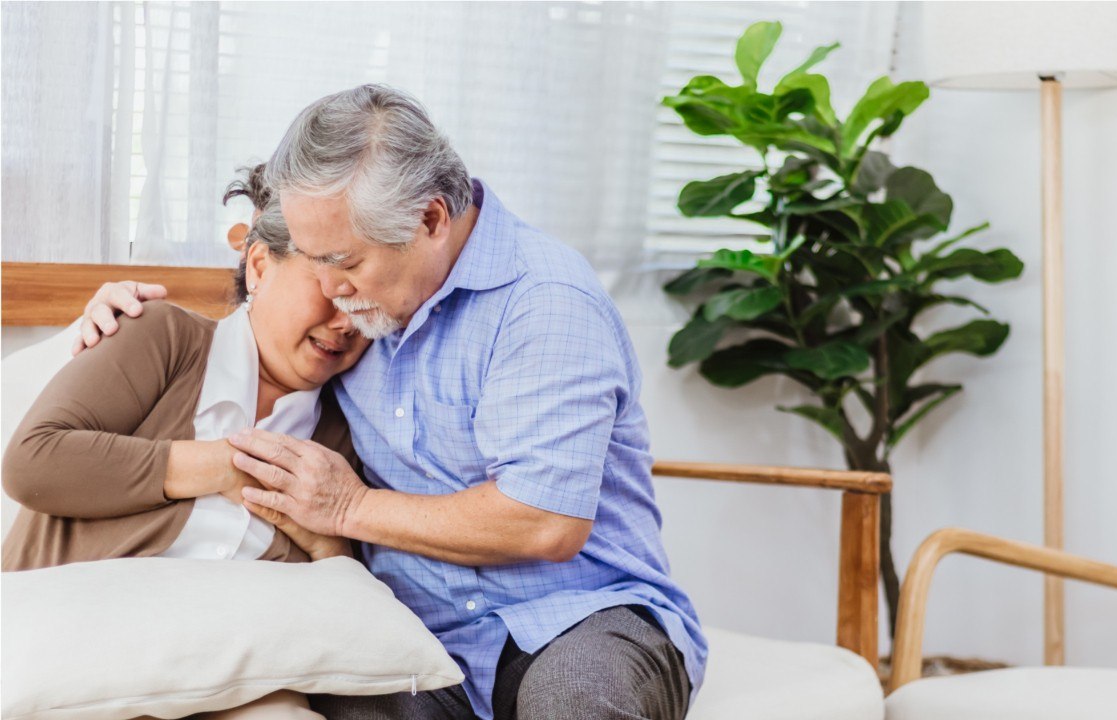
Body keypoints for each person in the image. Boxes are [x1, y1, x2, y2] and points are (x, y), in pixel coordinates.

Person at [77, 84, 707, 720]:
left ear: (430, 220)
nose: (330, 291)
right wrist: (117, 315)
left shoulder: (544, 301)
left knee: (577, 704)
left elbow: (544, 521)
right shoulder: (355, 313)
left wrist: (349, 506)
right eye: (315, 262)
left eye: (344, 261)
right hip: (409, 631)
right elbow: (256, 320)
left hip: (575, 614)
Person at [5, 167, 372, 719]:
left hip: (233, 684)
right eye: (328, 289)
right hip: (70, 662)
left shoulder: (341, 434)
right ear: (259, 266)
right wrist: (224, 466)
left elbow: (340, 604)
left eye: (365, 303)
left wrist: (324, 544)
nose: (346, 323)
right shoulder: (163, 337)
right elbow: (33, 462)